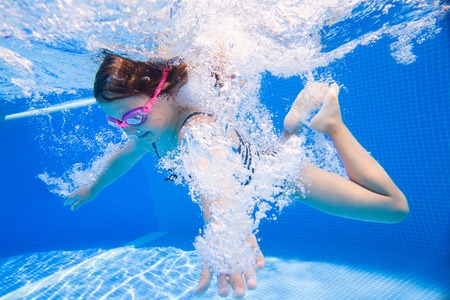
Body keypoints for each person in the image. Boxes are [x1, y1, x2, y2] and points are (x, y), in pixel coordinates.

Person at [64, 53, 409, 298]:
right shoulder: (149, 132)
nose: (128, 129)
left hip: (279, 175)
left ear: (166, 93)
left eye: (134, 116)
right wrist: (93, 187)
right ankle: (291, 128)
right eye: (117, 122)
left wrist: (224, 233)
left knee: (393, 208)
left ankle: (331, 124)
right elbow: (123, 159)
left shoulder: (194, 128)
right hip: (259, 166)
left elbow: (212, 181)